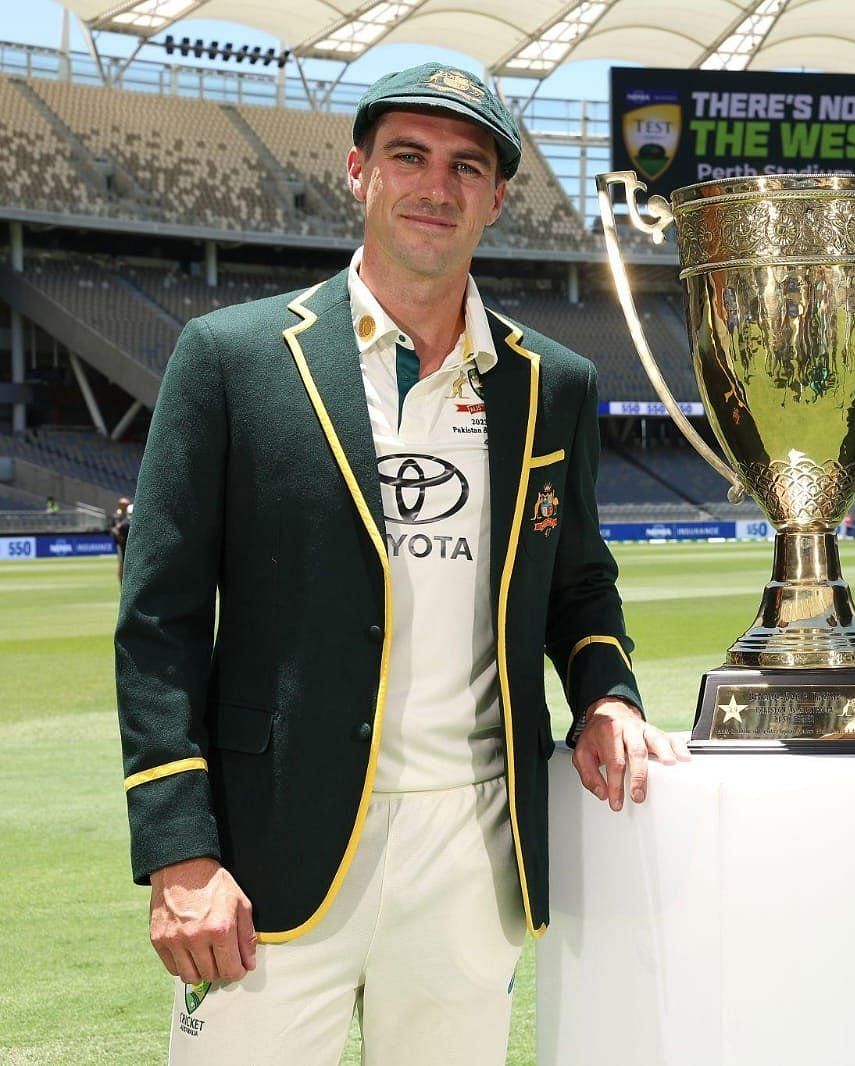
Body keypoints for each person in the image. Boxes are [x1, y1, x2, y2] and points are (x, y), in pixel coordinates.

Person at [115, 62, 686, 1064]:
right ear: (357, 172)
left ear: (498, 197)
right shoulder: (231, 357)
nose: (437, 186)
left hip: (471, 853)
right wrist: (178, 846)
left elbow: (579, 581)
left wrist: (606, 690)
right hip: (273, 847)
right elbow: (158, 620)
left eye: (468, 167)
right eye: (409, 157)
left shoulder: (553, 383)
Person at [110, 495, 132, 582]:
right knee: (122, 563)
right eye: (123, 504)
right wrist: (118, 534)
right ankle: (122, 585)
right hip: (120, 544)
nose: (125, 506)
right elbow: (112, 528)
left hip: (130, 542)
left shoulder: (130, 516)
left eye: (127, 504)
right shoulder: (116, 516)